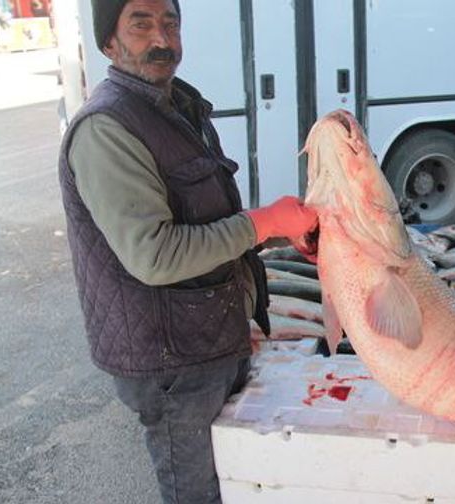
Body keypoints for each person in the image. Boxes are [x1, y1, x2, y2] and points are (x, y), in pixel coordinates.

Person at [57, 1, 318, 502]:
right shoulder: (107, 128)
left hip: (207, 340)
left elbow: (205, 221)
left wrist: (282, 232)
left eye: (171, 23)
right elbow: (155, 255)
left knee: (242, 481)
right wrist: (262, 223)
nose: (162, 38)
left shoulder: (177, 106)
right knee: (198, 494)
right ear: (108, 41)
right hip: (170, 362)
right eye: (141, 23)